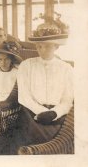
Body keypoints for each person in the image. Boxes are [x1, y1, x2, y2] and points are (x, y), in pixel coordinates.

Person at [14, 21, 73, 152]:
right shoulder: (26, 65)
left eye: (47, 46)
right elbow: (24, 96)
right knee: (33, 141)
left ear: (56, 46)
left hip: (58, 115)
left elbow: (67, 100)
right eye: (39, 46)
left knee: (62, 142)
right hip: (31, 113)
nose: (42, 50)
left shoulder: (66, 68)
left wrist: (54, 113)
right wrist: (41, 112)